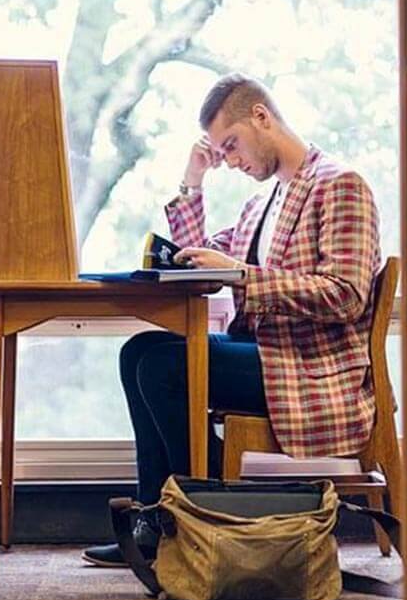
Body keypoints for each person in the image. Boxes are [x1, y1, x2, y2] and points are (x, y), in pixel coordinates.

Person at [82, 73, 380, 567]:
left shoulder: (339, 184)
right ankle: (160, 518)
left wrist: (243, 275)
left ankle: (185, 520)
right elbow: (199, 257)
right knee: (138, 351)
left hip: (313, 370)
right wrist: (192, 181)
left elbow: (346, 295)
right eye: (222, 151)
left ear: (262, 117)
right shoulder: (263, 201)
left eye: (232, 145)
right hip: (269, 356)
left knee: (162, 367)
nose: (233, 161)